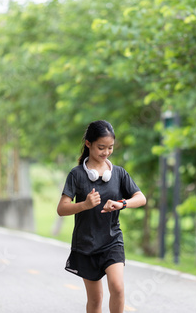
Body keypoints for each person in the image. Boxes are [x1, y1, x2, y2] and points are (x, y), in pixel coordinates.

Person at [57, 120, 147, 313]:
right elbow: (62, 208)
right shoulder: (77, 175)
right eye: (101, 147)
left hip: (112, 241)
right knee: (96, 300)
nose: (106, 152)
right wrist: (85, 204)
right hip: (86, 244)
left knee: (118, 288)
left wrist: (121, 203)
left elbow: (141, 198)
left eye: (110, 147)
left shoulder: (119, 174)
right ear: (88, 144)